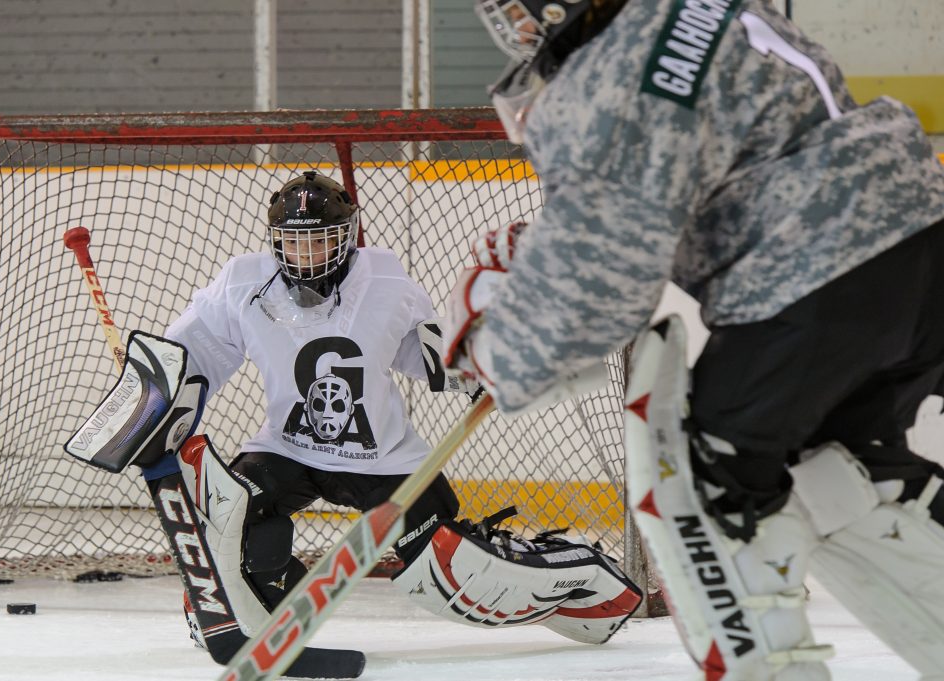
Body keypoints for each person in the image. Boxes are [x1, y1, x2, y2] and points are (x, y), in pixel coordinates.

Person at [443, 2, 944, 680]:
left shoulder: (618, 66)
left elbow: (598, 285)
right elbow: (677, 182)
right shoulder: (702, 10)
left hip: (820, 272)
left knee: (711, 495)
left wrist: (501, 349)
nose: (518, 29)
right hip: (918, 243)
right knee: (841, 478)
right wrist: (547, 266)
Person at [155, 171, 642, 659]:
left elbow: (428, 356)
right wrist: (153, 401)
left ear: (346, 236)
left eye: (321, 241)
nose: (307, 255)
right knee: (227, 513)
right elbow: (187, 355)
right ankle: (235, 617)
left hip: (383, 460)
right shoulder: (243, 283)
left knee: (454, 571)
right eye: (295, 242)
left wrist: (489, 365)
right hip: (287, 448)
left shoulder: (385, 282)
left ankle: (585, 580)